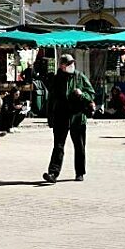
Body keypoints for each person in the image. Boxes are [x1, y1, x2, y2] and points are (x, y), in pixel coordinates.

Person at [43, 54, 94, 184]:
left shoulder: (79, 76)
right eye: (67, 64)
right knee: (58, 146)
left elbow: (91, 93)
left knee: (79, 146)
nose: (70, 66)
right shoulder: (56, 79)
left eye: (72, 63)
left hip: (78, 117)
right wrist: (50, 117)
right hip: (61, 116)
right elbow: (51, 99)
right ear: (61, 66)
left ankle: (80, 172)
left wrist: (82, 94)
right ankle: (53, 173)